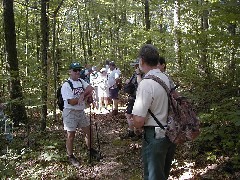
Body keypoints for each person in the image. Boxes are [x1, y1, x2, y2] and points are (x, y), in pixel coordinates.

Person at [132, 44, 176, 180]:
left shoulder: (146, 84)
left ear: (142, 61)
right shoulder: (166, 78)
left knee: (153, 176)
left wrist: (133, 124)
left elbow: (138, 121)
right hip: (171, 132)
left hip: (154, 135)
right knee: (163, 173)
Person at [61, 62, 101, 167]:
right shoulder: (66, 85)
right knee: (71, 135)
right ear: (70, 72)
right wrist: (83, 98)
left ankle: (90, 149)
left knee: (88, 131)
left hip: (81, 111)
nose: (78, 72)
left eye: (79, 70)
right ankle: (70, 156)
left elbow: (90, 88)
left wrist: (83, 95)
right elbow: (71, 101)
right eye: (75, 70)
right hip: (70, 112)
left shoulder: (81, 81)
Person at [121, 58, 143, 140]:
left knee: (136, 116)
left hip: (139, 98)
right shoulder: (135, 74)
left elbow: (141, 85)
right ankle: (131, 131)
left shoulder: (143, 75)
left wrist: (138, 74)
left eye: (137, 66)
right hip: (133, 97)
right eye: (135, 66)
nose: (135, 67)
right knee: (129, 115)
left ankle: (138, 132)